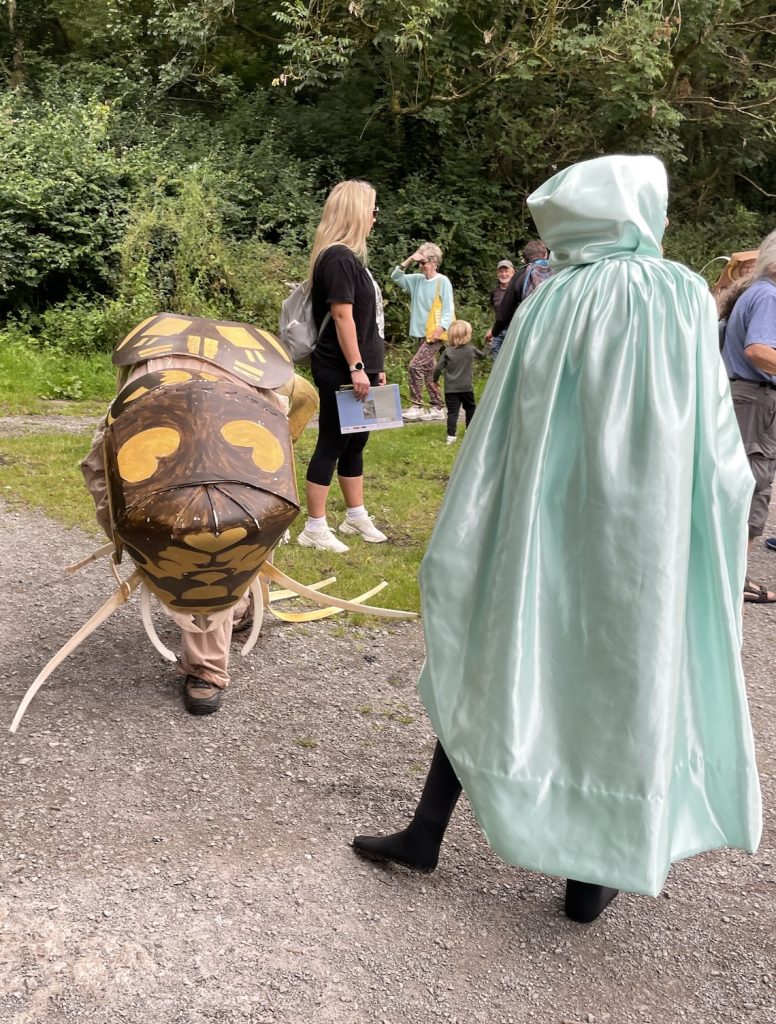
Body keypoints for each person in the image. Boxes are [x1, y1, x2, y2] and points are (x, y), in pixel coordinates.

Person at [353, 154, 761, 923]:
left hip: (544, 519)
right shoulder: (677, 293)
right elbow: (707, 422)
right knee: (621, 674)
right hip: (646, 530)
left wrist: (481, 515)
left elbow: (505, 425)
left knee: (493, 651)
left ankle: (428, 831)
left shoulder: (552, 297)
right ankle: (589, 876)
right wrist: (722, 499)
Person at [81, 317, 314, 716]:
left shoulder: (248, 371)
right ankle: (234, 611)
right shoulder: (149, 366)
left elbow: (296, 408)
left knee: (244, 513)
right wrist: (131, 534)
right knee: (245, 511)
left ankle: (208, 665)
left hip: (235, 429)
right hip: (165, 438)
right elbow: (105, 456)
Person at [297, 179, 388, 554]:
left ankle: (355, 516)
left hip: (361, 367)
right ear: (355, 212)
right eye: (373, 210)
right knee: (333, 440)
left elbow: (368, 321)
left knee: (357, 439)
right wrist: (356, 366)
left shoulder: (352, 260)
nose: (375, 218)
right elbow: (341, 316)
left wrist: (375, 365)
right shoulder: (336, 258)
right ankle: (314, 527)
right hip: (339, 366)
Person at [720, 230, 776, 599]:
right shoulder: (769, 295)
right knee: (753, 485)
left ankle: (728, 578)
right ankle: (731, 583)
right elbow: (758, 350)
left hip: (743, 398)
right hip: (755, 400)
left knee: (740, 483)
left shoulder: (754, 292)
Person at [391, 243, 454, 421]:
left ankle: (416, 404)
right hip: (420, 333)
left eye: (424, 262)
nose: (421, 265)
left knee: (415, 366)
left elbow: (448, 309)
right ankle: (437, 407)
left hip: (434, 334)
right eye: (420, 262)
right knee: (429, 370)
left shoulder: (442, 281)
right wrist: (410, 259)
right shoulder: (417, 280)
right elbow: (396, 276)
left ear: (434, 263)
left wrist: (440, 328)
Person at [486, 240, 552, 356]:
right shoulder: (559, 273)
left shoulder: (520, 276)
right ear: (546, 254)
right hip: (554, 330)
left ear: (525, 259)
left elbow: (505, 311)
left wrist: (494, 331)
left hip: (529, 334)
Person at [432, 319, 486, 444]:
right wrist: (488, 346)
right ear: (467, 335)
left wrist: (435, 381)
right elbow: (483, 356)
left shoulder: (448, 351)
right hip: (466, 387)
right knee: (470, 408)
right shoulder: (471, 349)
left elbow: (438, 368)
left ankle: (451, 436)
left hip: (451, 389)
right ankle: (470, 431)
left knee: (452, 412)